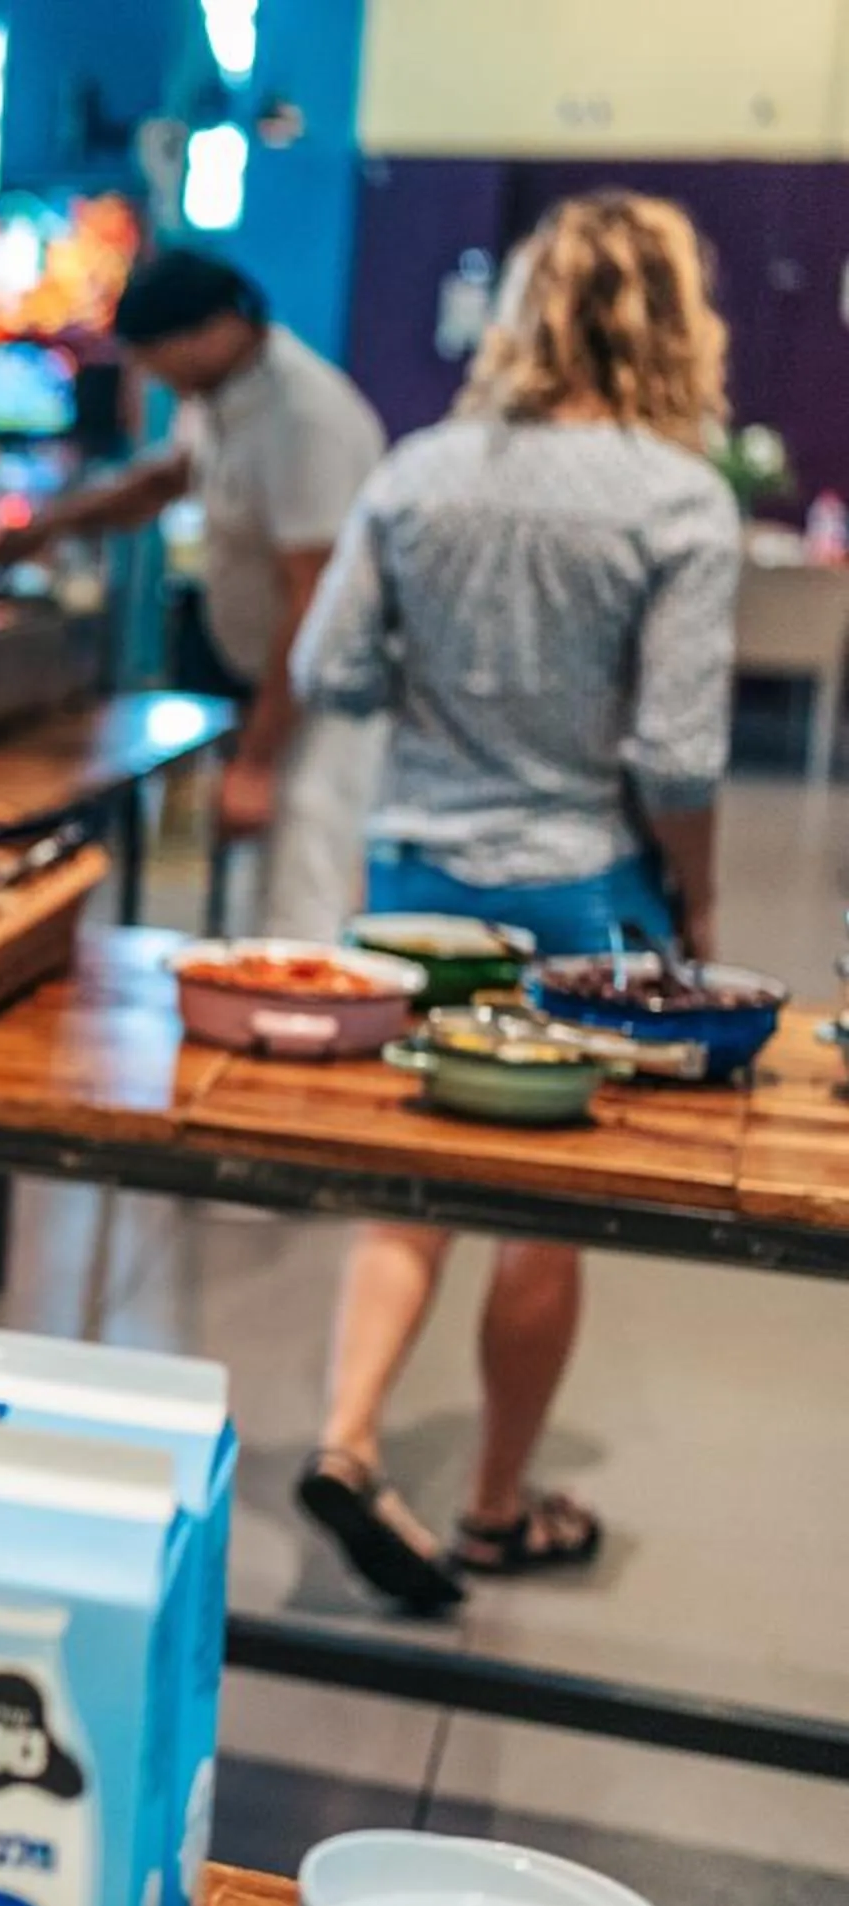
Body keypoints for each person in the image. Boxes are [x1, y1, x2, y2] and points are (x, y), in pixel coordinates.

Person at [287, 192, 740, 1612]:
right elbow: (675, 754)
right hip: (586, 895)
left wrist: (446, 694)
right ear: (675, 324)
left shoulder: (419, 472)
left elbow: (328, 674)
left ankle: (351, 1443)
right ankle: (492, 1508)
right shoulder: (679, 499)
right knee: (547, 1208)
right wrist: (698, 907)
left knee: (406, 1180)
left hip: (417, 881)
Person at [0, 250, 387, 940]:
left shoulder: (305, 418)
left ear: (219, 329)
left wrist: (258, 764)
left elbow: (312, 596)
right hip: (263, 685)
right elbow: (168, 478)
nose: (152, 373)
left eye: (157, 353)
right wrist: (53, 525)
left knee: (302, 901)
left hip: (324, 705)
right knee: (252, 901)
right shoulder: (222, 397)